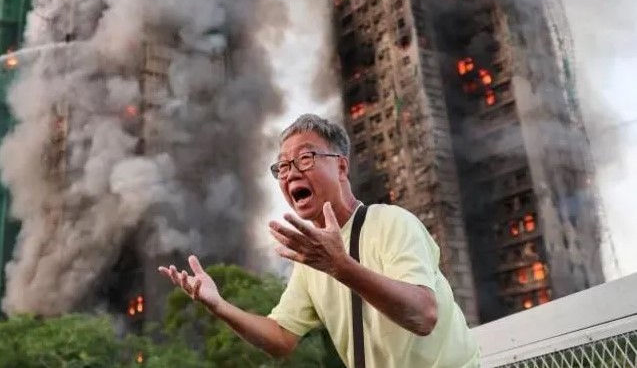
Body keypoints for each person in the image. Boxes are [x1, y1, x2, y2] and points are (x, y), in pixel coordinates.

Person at [158, 113, 480, 367]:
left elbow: (423, 315)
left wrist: (340, 267)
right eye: (282, 166)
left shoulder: (391, 223)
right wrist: (219, 306)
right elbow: (281, 338)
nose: (290, 173)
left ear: (341, 166)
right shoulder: (312, 263)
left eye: (305, 158)